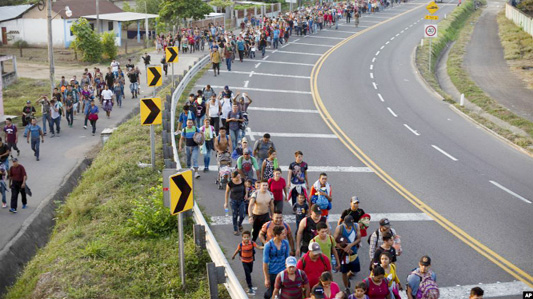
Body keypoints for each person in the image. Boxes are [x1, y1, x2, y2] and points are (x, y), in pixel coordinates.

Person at [333, 215, 361, 293]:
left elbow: (359, 238)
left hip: (353, 251)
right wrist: (344, 248)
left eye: (350, 225)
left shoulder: (356, 226)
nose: (349, 226)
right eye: (348, 225)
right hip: (343, 253)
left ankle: (348, 276)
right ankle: (346, 287)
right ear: (344, 223)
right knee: (344, 271)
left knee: (355, 270)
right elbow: (334, 241)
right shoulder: (339, 228)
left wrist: (350, 245)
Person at [232, 230, 263, 296]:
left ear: (249, 237)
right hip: (244, 261)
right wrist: (233, 255)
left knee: (250, 271)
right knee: (247, 273)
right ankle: (250, 285)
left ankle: (248, 278)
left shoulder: (252, 243)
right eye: (244, 237)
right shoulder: (240, 245)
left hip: (250, 260)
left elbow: (259, 247)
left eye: (247, 237)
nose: (246, 238)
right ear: (242, 238)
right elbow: (237, 250)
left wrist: (265, 247)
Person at [263, 225, 290, 299]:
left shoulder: (285, 243)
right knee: (272, 292)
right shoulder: (268, 245)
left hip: (283, 271)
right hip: (273, 272)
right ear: (277, 235)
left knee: (284, 291)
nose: (285, 235)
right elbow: (265, 262)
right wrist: (266, 278)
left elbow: (287, 258)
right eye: (283, 234)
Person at [225, 171, 246, 235]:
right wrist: (225, 202)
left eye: (239, 176)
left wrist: (246, 194)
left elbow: (246, 187)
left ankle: (239, 224)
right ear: (233, 178)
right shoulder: (230, 183)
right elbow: (227, 192)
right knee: (235, 215)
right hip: (233, 200)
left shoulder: (242, 180)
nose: (238, 178)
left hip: (241, 200)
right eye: (237, 177)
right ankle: (235, 229)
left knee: (242, 215)